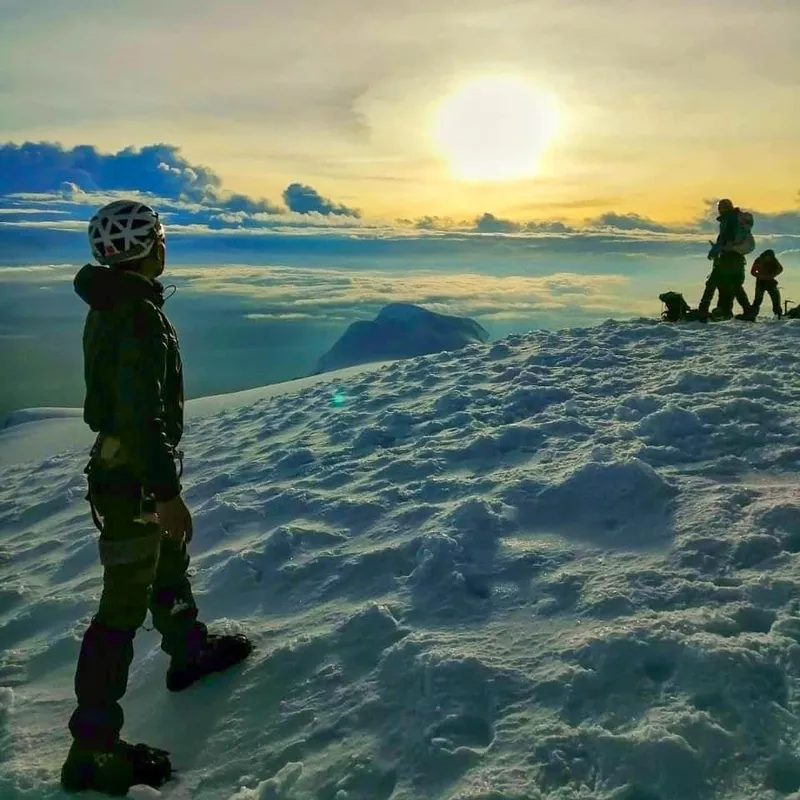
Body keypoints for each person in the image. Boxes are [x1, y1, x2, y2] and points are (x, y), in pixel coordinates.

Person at [62, 200, 252, 795]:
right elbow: (144, 414)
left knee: (167, 565)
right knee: (118, 614)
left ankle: (187, 651)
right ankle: (92, 753)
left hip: (124, 472)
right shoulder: (138, 316)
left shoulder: (112, 305)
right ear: (153, 248)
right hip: (135, 482)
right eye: (163, 239)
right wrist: (165, 495)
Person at [695, 198, 754, 320]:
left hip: (728, 258)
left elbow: (726, 237)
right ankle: (747, 311)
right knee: (735, 285)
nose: (720, 210)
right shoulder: (733, 218)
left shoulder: (730, 219)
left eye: (721, 207)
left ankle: (703, 311)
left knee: (713, 283)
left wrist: (716, 249)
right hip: (735, 258)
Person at [740, 249, 784, 320]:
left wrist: (772, 275)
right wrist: (760, 276)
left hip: (770, 282)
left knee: (775, 299)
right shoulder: (759, 260)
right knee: (758, 300)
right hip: (761, 282)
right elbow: (753, 271)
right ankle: (752, 315)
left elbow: (780, 269)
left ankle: (778, 314)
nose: (768, 258)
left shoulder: (774, 260)